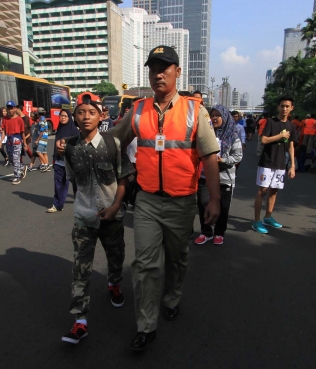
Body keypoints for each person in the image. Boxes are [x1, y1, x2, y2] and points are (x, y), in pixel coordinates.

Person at [58, 45, 221, 351]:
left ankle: (172, 297)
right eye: (153, 68)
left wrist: (214, 199)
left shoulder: (193, 111)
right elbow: (112, 139)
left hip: (182, 202)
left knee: (177, 259)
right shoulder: (139, 110)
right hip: (146, 201)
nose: (159, 74)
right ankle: (146, 326)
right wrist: (74, 142)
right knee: (144, 265)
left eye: (165, 68)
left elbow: (210, 158)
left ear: (177, 72)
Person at [60, 92, 134, 345]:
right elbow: (73, 181)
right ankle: (80, 321)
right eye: (81, 112)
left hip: (112, 216)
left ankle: (114, 282)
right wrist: (83, 206)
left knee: (116, 256)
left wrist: (115, 206)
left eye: (92, 112)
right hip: (84, 218)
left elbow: (124, 178)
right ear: (75, 117)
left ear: (101, 116)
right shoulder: (69, 147)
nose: (86, 116)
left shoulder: (113, 144)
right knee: (80, 268)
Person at [194, 104, 243, 245]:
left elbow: (238, 156)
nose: (214, 118)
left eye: (218, 115)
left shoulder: (233, 136)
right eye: (212, 115)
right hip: (205, 176)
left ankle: (219, 233)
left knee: (223, 207)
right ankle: (206, 232)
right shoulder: (206, 134)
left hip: (225, 178)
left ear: (225, 117)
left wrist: (223, 160)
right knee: (203, 203)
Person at [252, 96, 296, 234]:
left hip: (281, 163)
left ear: (291, 108)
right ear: (278, 107)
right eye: (282, 106)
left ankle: (268, 217)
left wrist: (292, 165)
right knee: (262, 191)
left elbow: (291, 146)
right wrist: (279, 137)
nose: (284, 109)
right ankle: (257, 221)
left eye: (287, 106)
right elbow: (264, 139)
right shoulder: (271, 122)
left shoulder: (291, 125)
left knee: (274, 191)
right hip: (267, 162)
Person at [46, 109, 78, 213]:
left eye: (65, 116)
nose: (63, 117)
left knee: (76, 185)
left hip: (71, 162)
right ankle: (58, 204)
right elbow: (56, 146)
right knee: (59, 184)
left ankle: (80, 201)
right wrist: (54, 159)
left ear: (69, 117)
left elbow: (77, 144)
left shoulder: (74, 130)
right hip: (59, 162)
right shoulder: (59, 129)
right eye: (61, 115)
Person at [0, 101, 27, 184]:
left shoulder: (19, 119)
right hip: (9, 139)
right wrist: (1, 141)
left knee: (16, 158)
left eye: (11, 108)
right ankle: (22, 167)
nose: (9, 110)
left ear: (15, 108)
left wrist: (25, 143)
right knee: (11, 159)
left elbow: (22, 132)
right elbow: (4, 131)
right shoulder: (5, 119)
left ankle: (17, 176)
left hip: (17, 139)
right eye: (8, 108)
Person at [35, 107, 51, 172]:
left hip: (42, 138)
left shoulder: (41, 120)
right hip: (46, 137)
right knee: (44, 152)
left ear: (38, 113)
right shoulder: (44, 119)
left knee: (38, 151)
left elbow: (42, 131)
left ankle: (45, 165)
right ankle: (47, 163)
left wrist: (37, 139)